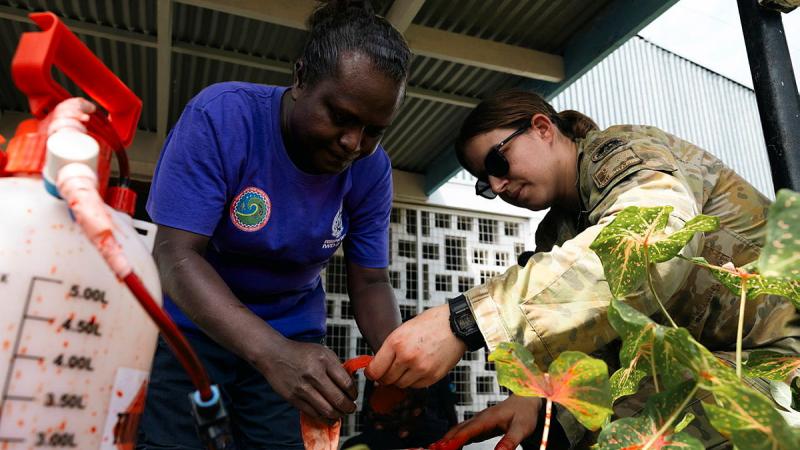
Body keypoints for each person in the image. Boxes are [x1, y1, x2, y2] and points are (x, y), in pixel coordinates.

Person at [365, 90, 800, 449]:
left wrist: (466, 321)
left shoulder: (623, 152)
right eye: (485, 182)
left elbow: (645, 253)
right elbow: (604, 341)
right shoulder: (557, 236)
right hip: (716, 365)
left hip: (779, 359)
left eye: (497, 162)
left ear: (542, 128)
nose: (497, 186)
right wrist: (538, 401)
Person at [137, 1, 411, 448]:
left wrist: (397, 357)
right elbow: (175, 255)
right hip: (193, 329)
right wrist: (272, 353)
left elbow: (370, 280)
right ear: (301, 78)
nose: (353, 143)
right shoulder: (223, 118)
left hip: (294, 337)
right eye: (340, 117)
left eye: (374, 130)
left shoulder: (371, 168)